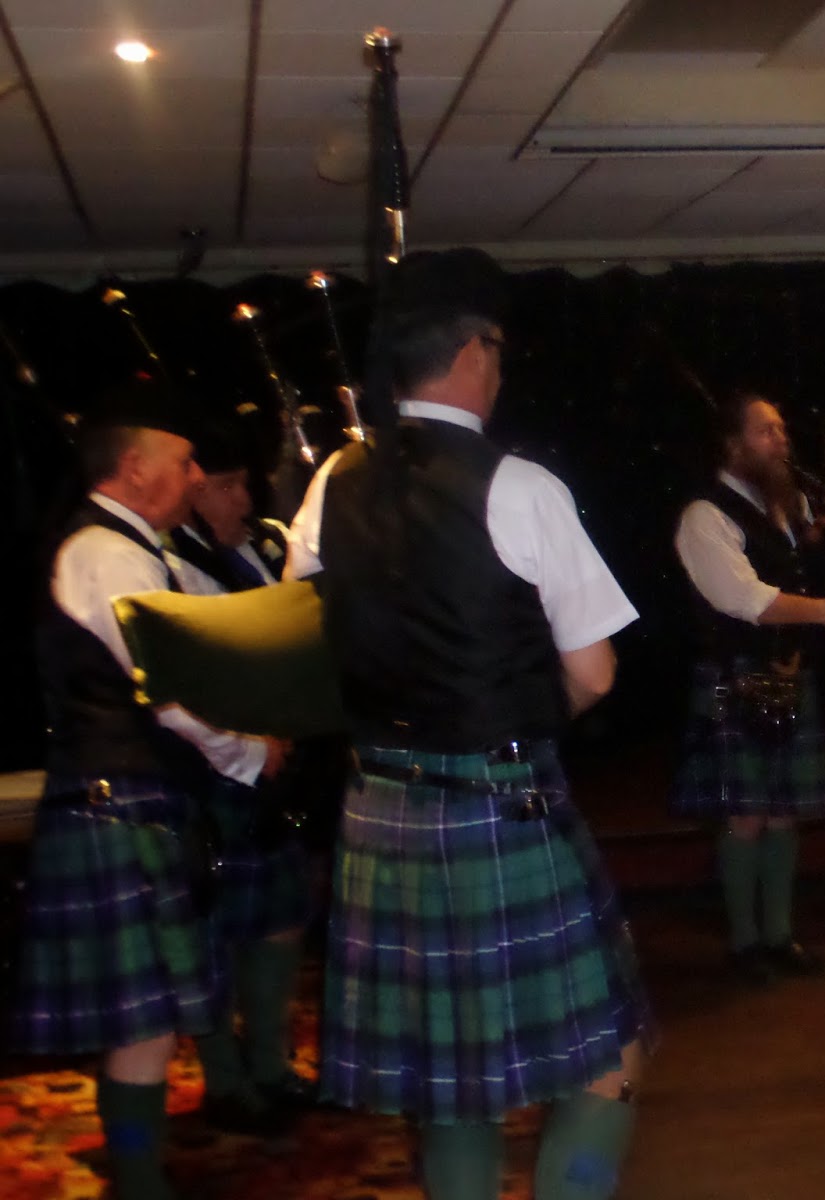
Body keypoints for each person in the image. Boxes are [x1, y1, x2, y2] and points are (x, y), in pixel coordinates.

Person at [286, 247, 648, 1200]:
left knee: (452, 1092)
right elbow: (594, 673)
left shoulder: (332, 482)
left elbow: (302, 630)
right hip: (500, 808)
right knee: (606, 1059)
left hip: (379, 810)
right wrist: (521, 718)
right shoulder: (520, 486)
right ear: (473, 352)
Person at [9, 380, 286, 1200]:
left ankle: (140, 1178)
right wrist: (248, 753)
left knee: (147, 1027)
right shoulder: (107, 553)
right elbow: (167, 690)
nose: (196, 477)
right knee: (143, 1027)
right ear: (134, 468)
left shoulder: (137, 551)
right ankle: (137, 1184)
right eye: (184, 461)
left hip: (129, 803)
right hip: (117, 804)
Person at [672, 390, 825, 984]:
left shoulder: (790, 512)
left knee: (784, 813)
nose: (781, 440)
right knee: (745, 815)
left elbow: (819, 578)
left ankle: (779, 936)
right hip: (736, 676)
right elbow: (742, 598)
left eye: (781, 429)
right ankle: (744, 944)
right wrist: (824, 611)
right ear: (732, 444)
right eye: (766, 431)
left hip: (791, 675)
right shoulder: (705, 515)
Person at [165, 419, 313, 1137]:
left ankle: (270, 1066)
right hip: (212, 769)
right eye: (225, 486)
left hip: (274, 765)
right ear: (193, 495)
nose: (243, 499)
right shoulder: (172, 567)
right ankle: (225, 1080)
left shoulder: (261, 550)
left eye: (243, 484)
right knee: (217, 930)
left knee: (281, 920)